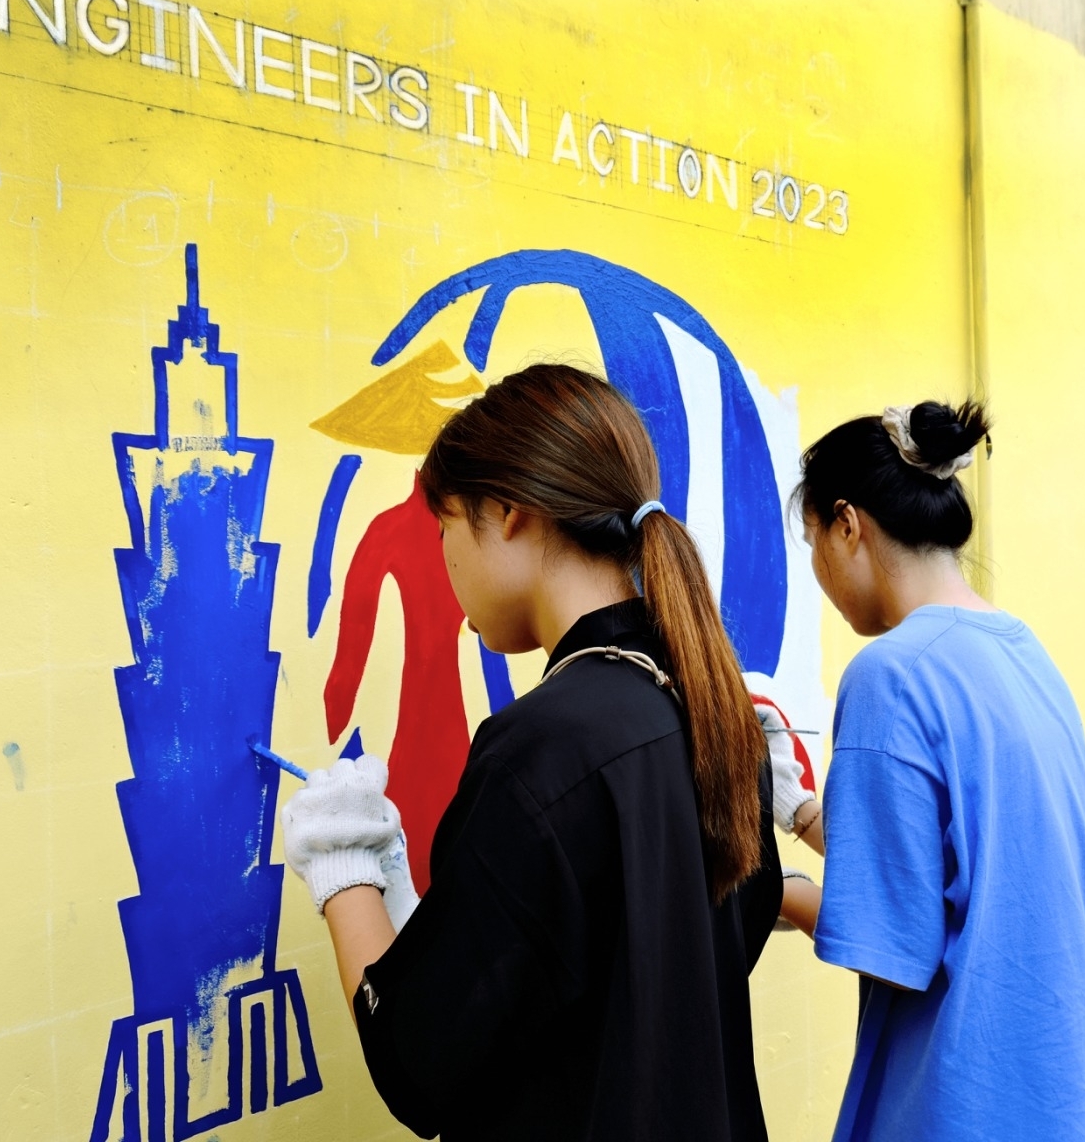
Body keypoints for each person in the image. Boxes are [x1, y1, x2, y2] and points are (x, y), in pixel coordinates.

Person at [278, 363, 782, 1141]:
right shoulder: (712, 707)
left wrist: (343, 869)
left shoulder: (543, 749)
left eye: (445, 528)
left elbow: (416, 1065)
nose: (446, 564)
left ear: (509, 513)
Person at [770, 401, 1085, 1141]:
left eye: (812, 543)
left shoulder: (890, 676)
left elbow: (895, 943)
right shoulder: (1023, 652)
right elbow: (963, 869)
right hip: (1066, 1097)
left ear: (847, 525)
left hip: (964, 1104)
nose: (819, 573)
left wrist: (771, 892)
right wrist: (798, 809)